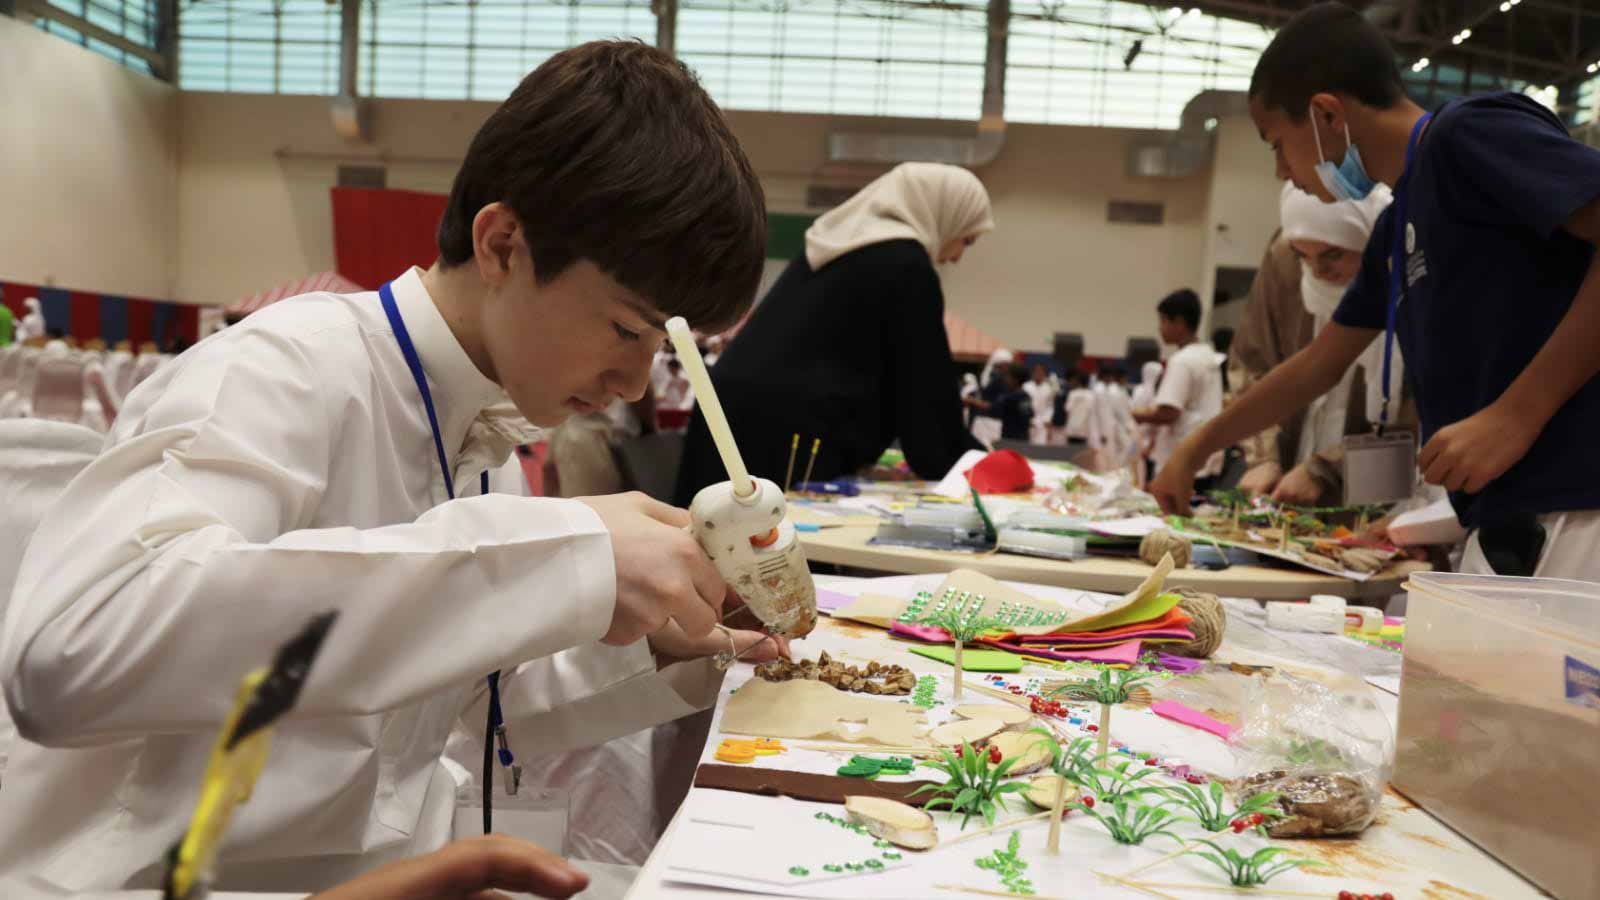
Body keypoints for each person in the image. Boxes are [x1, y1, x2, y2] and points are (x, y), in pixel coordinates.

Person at [0, 41, 781, 893]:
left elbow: (465, 704)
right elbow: (71, 652)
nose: (635, 382)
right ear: (504, 244)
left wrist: (661, 643)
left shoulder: (484, 435)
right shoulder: (287, 368)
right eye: (628, 332)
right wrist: (554, 558)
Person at [1151, 2, 1600, 580]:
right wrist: (1196, 448)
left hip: (1580, 504)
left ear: (1326, 113)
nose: (1283, 173)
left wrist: (1518, 413)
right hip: (1507, 516)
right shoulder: (1398, 223)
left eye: (1276, 145)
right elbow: (1317, 365)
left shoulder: (1466, 135)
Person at [673, 162, 992, 504]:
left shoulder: (843, 247)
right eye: (967, 240)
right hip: (778, 437)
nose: (957, 256)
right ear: (946, 213)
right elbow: (923, 393)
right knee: (766, 551)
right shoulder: (905, 265)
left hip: (736, 415)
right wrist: (977, 460)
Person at [1133, 289, 1226, 488]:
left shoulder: (1182, 361)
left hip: (1181, 458)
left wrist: (1133, 415)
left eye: (1163, 321)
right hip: (1203, 455)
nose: (1160, 328)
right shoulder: (1208, 355)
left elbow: (1168, 412)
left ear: (1179, 322)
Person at [967, 347, 1014, 446]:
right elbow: (990, 404)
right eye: (1007, 364)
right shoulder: (997, 379)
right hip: (988, 421)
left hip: (990, 421)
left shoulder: (994, 378)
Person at [994, 363, 1034, 442]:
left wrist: (973, 401)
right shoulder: (1025, 396)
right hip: (1022, 437)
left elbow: (993, 409)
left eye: (1008, 376)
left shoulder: (1011, 397)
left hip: (1012, 438)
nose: (1005, 379)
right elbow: (1030, 413)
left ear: (1015, 379)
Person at [1021, 362, 1056, 444]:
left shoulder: (1048, 388)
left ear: (1045, 373)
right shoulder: (1026, 386)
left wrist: (1048, 419)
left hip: (1042, 422)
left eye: (1041, 371)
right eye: (1036, 371)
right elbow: (1024, 406)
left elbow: (1050, 406)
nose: (1038, 373)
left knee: (1040, 445)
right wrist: (1027, 419)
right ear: (1032, 372)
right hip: (1028, 422)